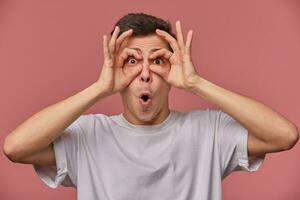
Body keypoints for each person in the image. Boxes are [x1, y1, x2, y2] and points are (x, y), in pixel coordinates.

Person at [3, 12, 299, 200]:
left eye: (158, 61)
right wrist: (99, 89)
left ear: (173, 74)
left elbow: (284, 136)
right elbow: (16, 147)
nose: (144, 73)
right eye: (132, 61)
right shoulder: (88, 135)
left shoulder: (209, 132)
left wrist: (197, 84)